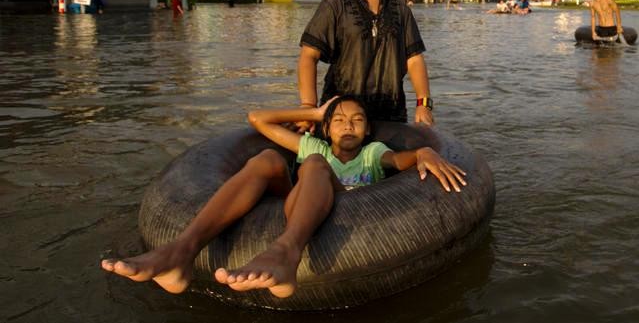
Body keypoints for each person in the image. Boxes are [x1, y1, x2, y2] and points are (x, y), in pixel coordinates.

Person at [100, 96, 466, 299]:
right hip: (299, 199)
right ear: (326, 128)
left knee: (315, 166)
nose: (348, 125)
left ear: (368, 129)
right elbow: (258, 118)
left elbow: (404, 160)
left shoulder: (373, 154)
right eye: (338, 120)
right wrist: (313, 113)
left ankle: (287, 253)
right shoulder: (311, 144)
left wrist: (424, 154)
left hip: (341, 211)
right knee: (268, 159)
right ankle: (181, 252)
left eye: (357, 120)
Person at [298, 0, 434, 126]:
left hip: (391, 115)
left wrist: (424, 103)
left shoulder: (400, 9)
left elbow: (414, 59)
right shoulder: (335, 4)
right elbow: (308, 55)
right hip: (343, 116)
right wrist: (308, 106)